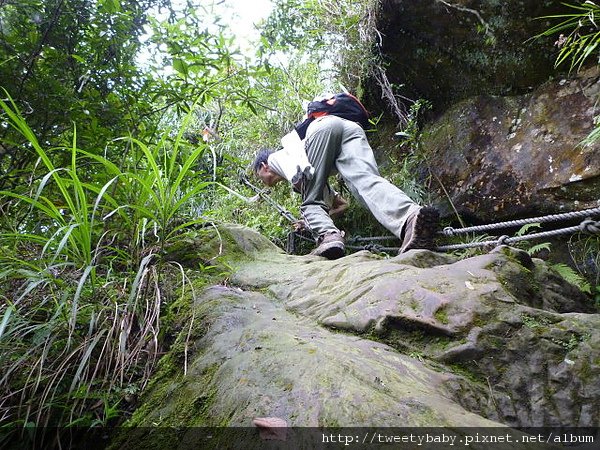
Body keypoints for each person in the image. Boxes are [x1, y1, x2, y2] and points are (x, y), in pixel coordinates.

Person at [253, 113, 439, 260]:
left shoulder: (275, 158)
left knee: (309, 202)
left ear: (263, 167)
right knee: (366, 183)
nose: (261, 181)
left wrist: (313, 219)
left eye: (258, 176)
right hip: (349, 127)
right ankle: (411, 218)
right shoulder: (294, 155)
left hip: (320, 130)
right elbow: (342, 204)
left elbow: (307, 188)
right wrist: (321, 215)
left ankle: (329, 237)